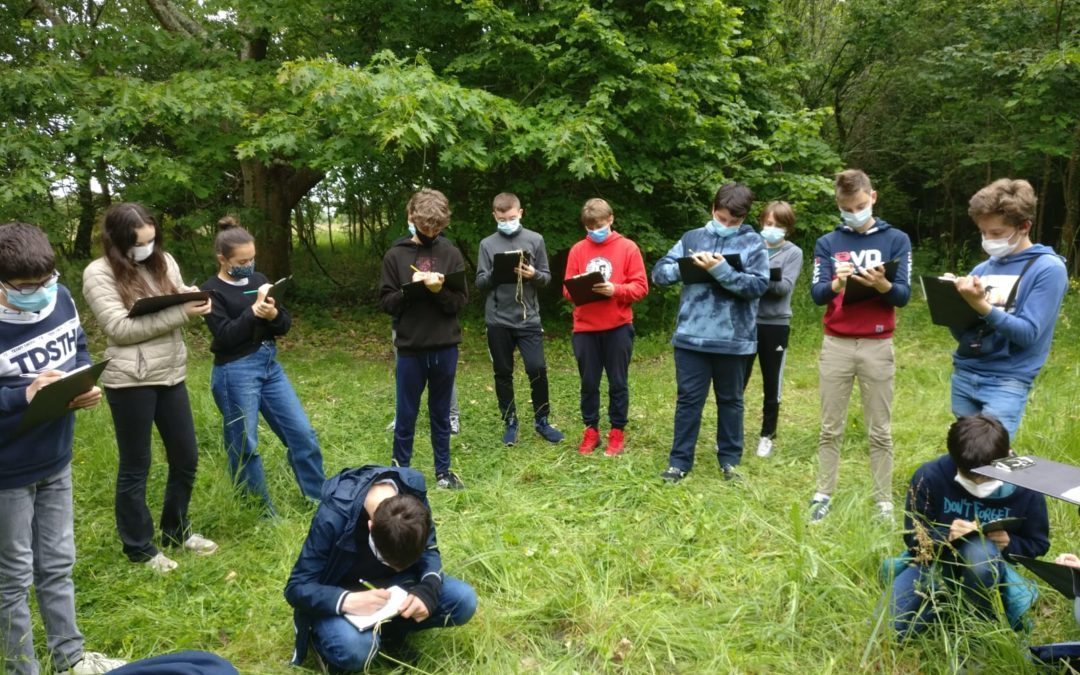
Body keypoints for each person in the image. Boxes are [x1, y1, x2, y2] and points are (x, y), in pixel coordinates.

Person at [0, 222, 127, 674]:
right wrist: (22, 395)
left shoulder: (61, 296)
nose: (39, 292)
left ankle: (70, 656)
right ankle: (22, 669)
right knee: (12, 579)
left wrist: (84, 381)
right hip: (7, 473)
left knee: (57, 564)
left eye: (46, 281)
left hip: (56, 456)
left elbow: (78, 347)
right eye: (26, 287)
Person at [82, 203, 218, 571]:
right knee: (136, 465)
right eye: (140, 243)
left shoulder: (164, 260)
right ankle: (139, 547)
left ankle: (176, 530)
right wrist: (179, 313)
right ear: (118, 241)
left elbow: (172, 296)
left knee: (186, 457)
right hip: (130, 381)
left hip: (171, 373)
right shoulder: (98, 273)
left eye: (152, 240)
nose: (147, 248)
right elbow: (120, 330)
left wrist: (188, 296)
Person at [285, 465, 477, 672]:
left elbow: (430, 549)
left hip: (395, 591)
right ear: (370, 526)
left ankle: (390, 634)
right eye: (386, 561)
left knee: (463, 599)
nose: (393, 568)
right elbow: (296, 588)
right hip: (343, 593)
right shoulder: (333, 515)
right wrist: (345, 601)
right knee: (356, 649)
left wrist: (427, 589)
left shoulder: (412, 497)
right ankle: (324, 640)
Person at [200, 217, 325, 515]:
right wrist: (253, 313)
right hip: (235, 371)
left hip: (270, 366)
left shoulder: (259, 280)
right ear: (223, 259)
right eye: (242, 260)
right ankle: (258, 511)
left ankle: (321, 500)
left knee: (302, 435)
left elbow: (284, 324)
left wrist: (272, 316)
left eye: (252, 258)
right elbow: (226, 336)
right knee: (245, 444)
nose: (249, 264)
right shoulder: (210, 291)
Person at [807, 170, 912, 522]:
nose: (854, 211)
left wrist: (882, 284)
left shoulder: (896, 240)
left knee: (880, 429)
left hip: (877, 344)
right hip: (835, 342)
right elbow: (816, 293)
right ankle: (823, 494)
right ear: (838, 205)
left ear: (873, 197)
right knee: (829, 427)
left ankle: (883, 501)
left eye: (860, 205)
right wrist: (837, 284)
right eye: (846, 207)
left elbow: (904, 296)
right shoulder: (828, 242)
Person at [886, 415, 1049, 637]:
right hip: (934, 563)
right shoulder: (930, 475)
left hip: (991, 566)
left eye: (987, 478)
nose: (977, 484)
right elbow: (913, 538)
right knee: (891, 628)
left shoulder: (1027, 484)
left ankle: (978, 623)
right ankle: (947, 607)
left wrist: (1009, 544)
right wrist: (945, 535)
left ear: (1007, 455)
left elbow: (1038, 544)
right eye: (969, 477)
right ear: (954, 459)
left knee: (978, 551)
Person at [653, 184, 769, 483]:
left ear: (744, 217)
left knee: (731, 401)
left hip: (734, 339)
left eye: (734, 221)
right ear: (712, 208)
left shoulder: (754, 243)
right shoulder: (692, 237)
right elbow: (659, 273)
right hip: (691, 336)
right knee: (689, 401)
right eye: (722, 217)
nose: (727, 225)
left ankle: (730, 461)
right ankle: (679, 463)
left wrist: (723, 272)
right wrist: (685, 267)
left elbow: (758, 287)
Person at [947, 178, 1068, 441]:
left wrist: (981, 305)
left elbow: (1027, 334)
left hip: (1006, 380)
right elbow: (965, 335)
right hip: (965, 374)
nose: (989, 240)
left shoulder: (1047, 269)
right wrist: (951, 304)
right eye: (983, 232)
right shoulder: (983, 269)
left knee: (992, 464)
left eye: (997, 233)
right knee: (967, 457)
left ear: (1025, 226)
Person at [378, 189, 468, 489]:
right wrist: (410, 289)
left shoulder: (450, 253)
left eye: (437, 229)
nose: (431, 233)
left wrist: (437, 291)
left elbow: (458, 302)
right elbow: (387, 302)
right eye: (425, 227)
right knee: (406, 413)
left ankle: (443, 472)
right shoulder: (395, 255)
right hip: (411, 348)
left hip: (445, 346)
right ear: (411, 218)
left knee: (441, 413)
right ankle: (399, 473)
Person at [562, 198, 649, 456]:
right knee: (589, 383)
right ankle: (591, 430)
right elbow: (566, 290)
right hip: (585, 329)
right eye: (590, 227)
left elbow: (641, 287)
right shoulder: (578, 249)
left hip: (618, 327)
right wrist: (580, 287)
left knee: (617, 382)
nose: (595, 231)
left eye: (599, 225)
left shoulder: (628, 248)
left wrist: (615, 290)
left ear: (610, 219)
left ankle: (617, 431)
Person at [475, 192, 563, 446]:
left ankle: (542, 421)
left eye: (512, 217)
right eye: (502, 218)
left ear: (521, 213)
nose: (507, 221)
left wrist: (533, 273)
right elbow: (480, 282)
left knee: (537, 368)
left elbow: (547, 278)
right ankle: (510, 421)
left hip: (528, 318)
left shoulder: (535, 239)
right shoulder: (486, 244)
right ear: (495, 216)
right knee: (503, 371)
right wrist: (499, 271)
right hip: (498, 319)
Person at [743, 201, 803, 459]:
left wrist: (755, 276)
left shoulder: (794, 253)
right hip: (746, 322)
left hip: (775, 324)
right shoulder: (749, 246)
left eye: (779, 225)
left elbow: (783, 288)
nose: (772, 229)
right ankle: (730, 433)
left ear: (787, 228)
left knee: (771, 382)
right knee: (737, 381)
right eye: (769, 224)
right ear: (761, 222)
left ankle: (767, 434)